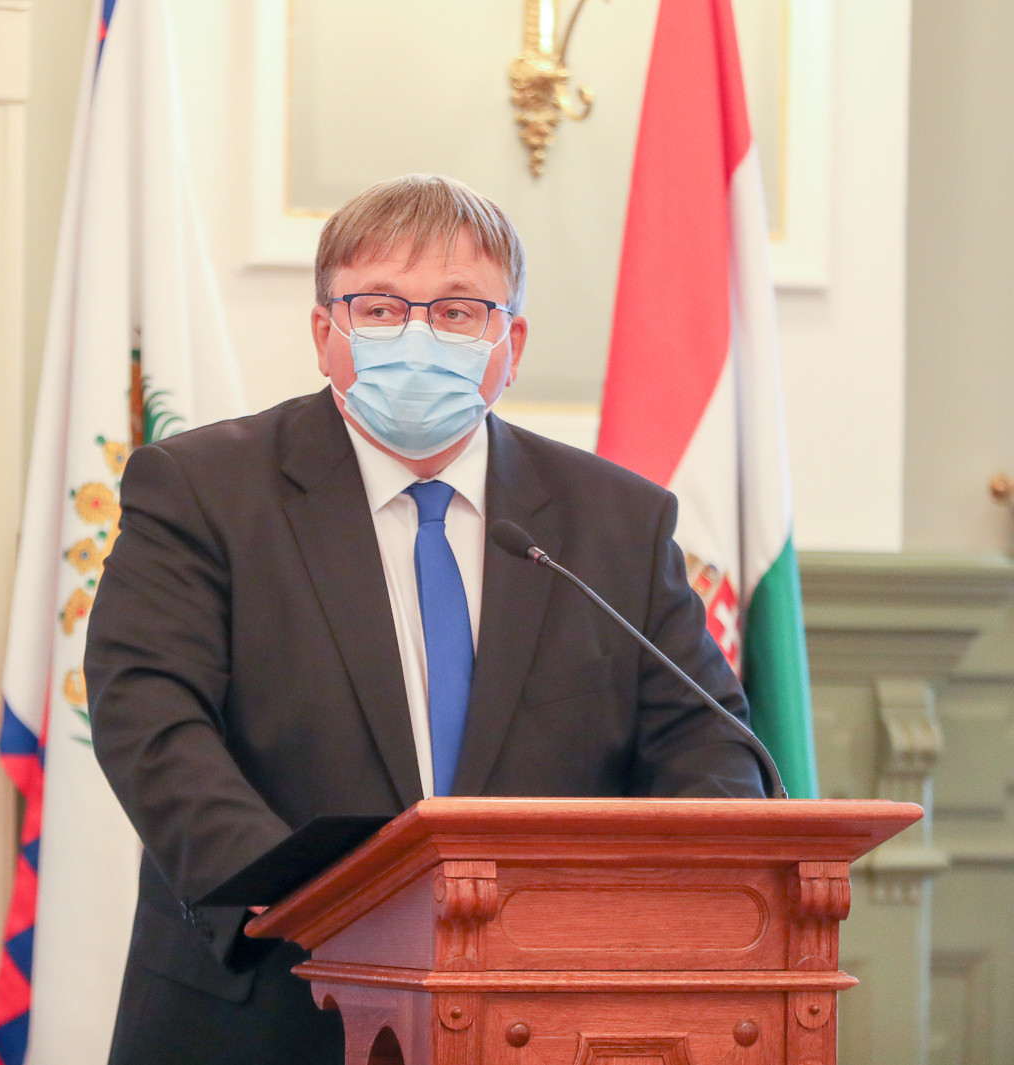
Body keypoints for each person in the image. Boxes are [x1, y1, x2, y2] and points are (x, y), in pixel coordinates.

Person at [85, 174, 767, 1065]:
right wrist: (307, 895)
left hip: (547, 1011)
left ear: (510, 343)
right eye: (378, 308)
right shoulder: (202, 490)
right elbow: (148, 713)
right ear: (324, 333)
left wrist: (651, 907)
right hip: (266, 1002)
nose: (417, 335)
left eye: (456, 311)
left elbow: (707, 744)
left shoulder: (616, 521)